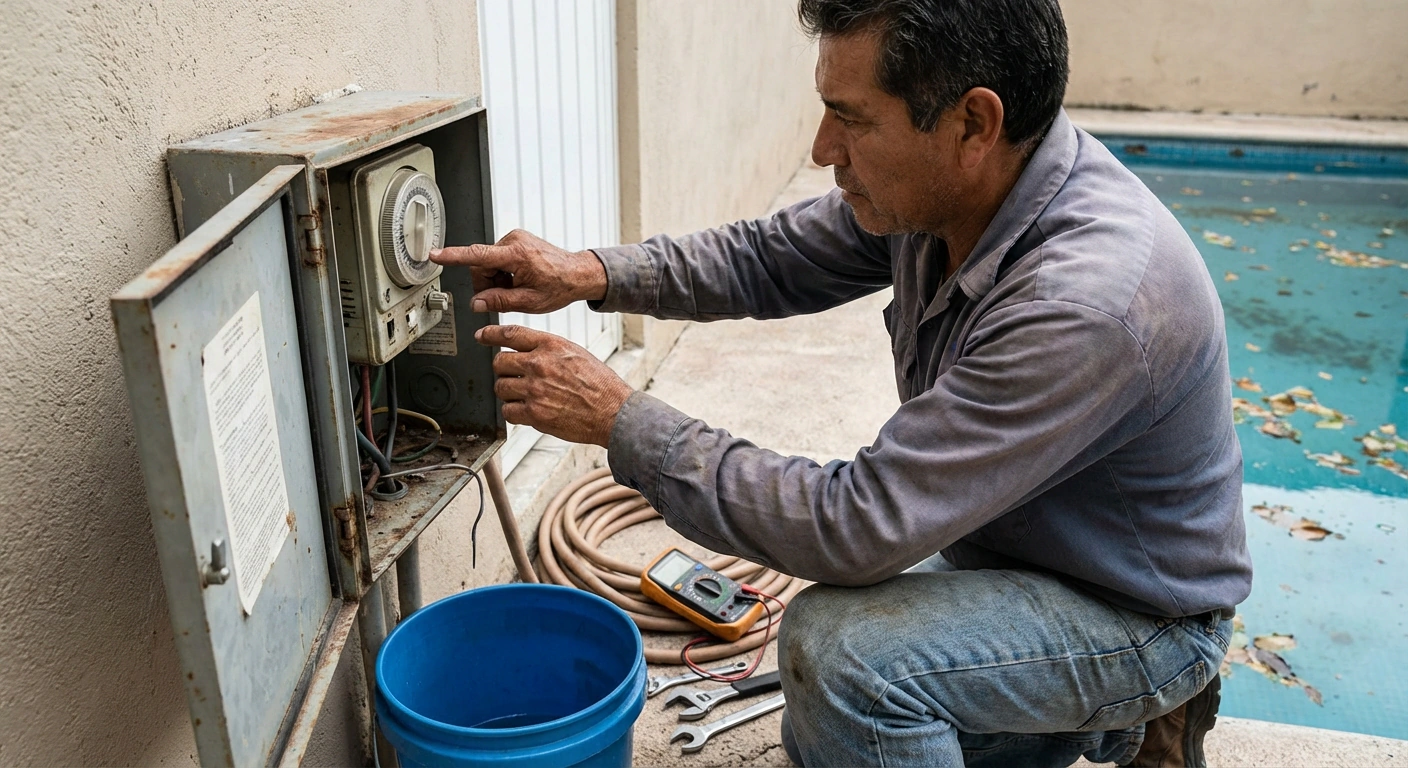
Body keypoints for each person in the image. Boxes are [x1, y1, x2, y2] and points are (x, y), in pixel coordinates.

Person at [431, 1, 1251, 765]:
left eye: (852, 119)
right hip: (1015, 554)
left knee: (843, 657)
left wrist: (619, 417)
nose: (824, 149)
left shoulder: (1084, 302)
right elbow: (769, 257)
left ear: (974, 123)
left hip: (1137, 612)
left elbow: (856, 526)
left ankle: (1138, 702)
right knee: (823, 719)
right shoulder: (954, 195)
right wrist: (590, 273)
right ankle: (1107, 720)